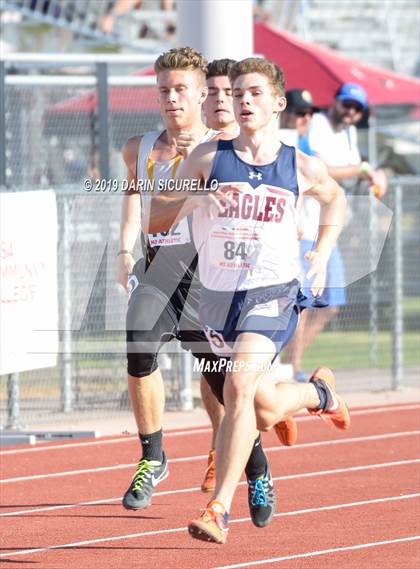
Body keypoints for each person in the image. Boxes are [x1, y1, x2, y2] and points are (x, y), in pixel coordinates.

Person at [174, 57, 350, 544]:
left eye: (255, 93)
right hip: (219, 297)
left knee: (236, 387)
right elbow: (161, 209)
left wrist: (321, 250)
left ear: (277, 102)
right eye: (238, 94)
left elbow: (335, 198)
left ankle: (217, 509)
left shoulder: (299, 165)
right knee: (264, 408)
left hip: (273, 292)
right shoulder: (207, 160)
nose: (244, 101)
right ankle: (320, 394)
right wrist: (195, 201)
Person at [118, 48, 292, 529]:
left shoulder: (223, 150)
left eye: (181, 90)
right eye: (163, 91)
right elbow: (136, 199)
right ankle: (153, 457)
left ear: (202, 94)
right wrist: (123, 249)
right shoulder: (140, 148)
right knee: (138, 337)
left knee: (229, 388)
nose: (171, 99)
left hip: (210, 283)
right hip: (161, 271)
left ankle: (256, 470)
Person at [285, 83, 387, 381]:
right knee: (303, 304)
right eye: (347, 105)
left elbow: (351, 169)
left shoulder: (349, 133)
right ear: (335, 102)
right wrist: (361, 170)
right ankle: (292, 366)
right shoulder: (315, 124)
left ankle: (292, 361)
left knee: (330, 304)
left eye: (356, 108)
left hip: (330, 229)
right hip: (307, 229)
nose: (351, 112)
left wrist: (369, 176)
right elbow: (320, 170)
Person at [199, 58, 237, 493]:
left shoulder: (267, 146)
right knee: (213, 371)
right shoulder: (197, 153)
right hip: (206, 279)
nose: (221, 101)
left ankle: (310, 394)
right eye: (212, 93)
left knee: (250, 390)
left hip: (263, 282)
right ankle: (219, 445)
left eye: (229, 92)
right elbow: (164, 206)